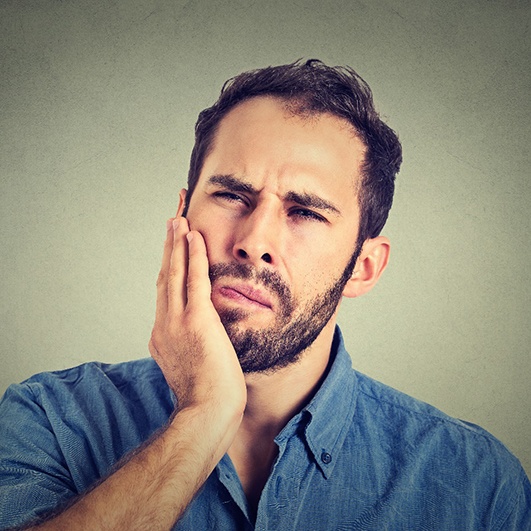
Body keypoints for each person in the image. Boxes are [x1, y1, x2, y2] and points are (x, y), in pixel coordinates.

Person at [0, 59, 529, 530]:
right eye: (231, 195)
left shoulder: (477, 484)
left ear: (363, 268)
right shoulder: (47, 419)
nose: (254, 243)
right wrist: (204, 415)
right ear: (181, 216)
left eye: (305, 212)